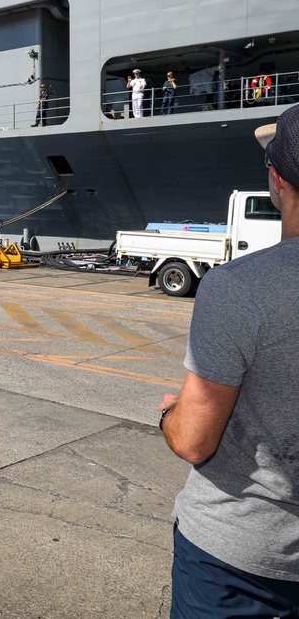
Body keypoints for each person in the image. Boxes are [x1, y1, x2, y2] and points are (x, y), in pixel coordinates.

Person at [159, 104, 299, 617]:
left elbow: (194, 440)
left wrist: (171, 413)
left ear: (276, 180)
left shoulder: (238, 288)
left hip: (240, 562)